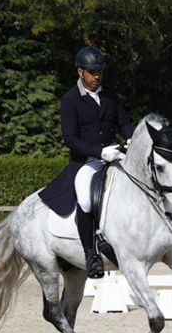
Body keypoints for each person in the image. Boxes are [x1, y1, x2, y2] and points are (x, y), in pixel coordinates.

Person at [40, 46, 134, 279]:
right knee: (85, 199)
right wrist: (100, 152)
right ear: (80, 71)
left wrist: (132, 139)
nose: (97, 76)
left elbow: (123, 122)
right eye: (92, 72)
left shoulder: (109, 92)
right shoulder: (70, 99)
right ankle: (91, 254)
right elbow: (70, 139)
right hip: (87, 162)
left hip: (114, 154)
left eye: (99, 72)